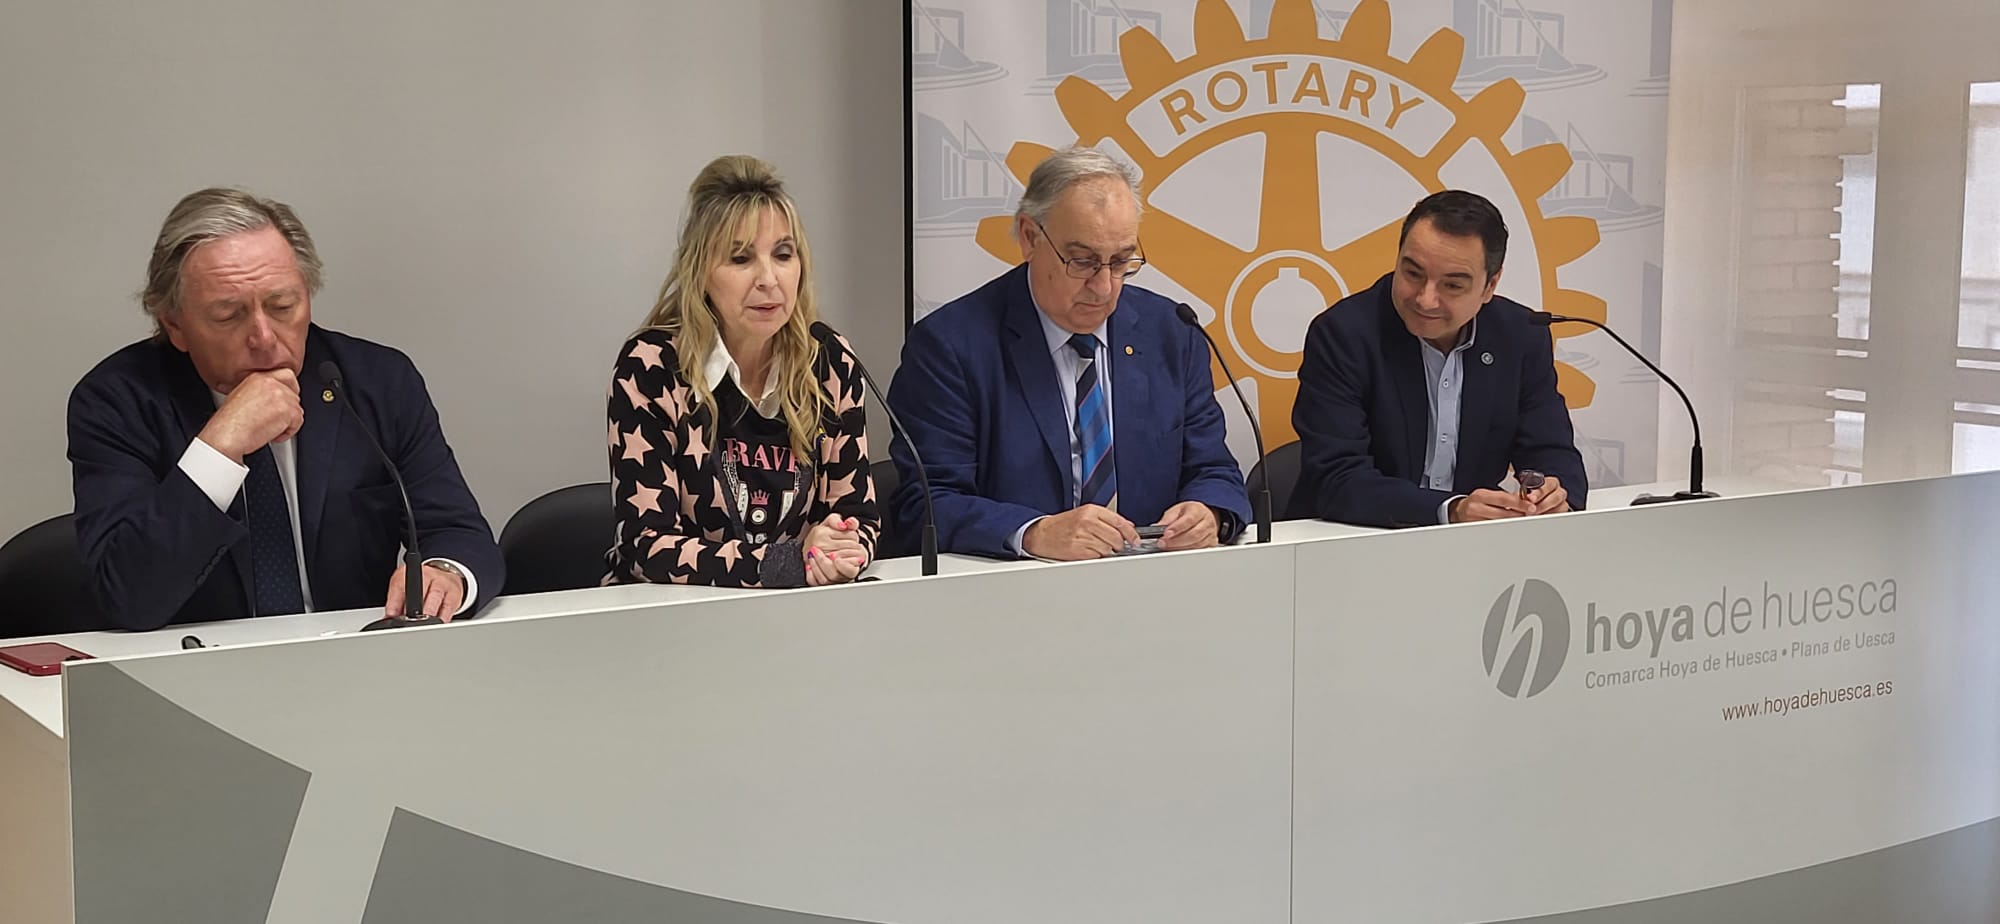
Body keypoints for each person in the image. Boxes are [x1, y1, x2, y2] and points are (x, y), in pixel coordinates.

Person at [67, 188, 503, 631]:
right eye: (228, 315)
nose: (264, 337)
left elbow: (459, 533)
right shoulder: (117, 401)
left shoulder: (376, 382)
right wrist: (220, 445)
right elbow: (128, 595)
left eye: (282, 307)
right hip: (199, 661)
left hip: (352, 653)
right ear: (174, 325)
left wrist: (445, 573)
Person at [886, 146, 1250, 560]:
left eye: (1121, 262)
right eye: (1082, 261)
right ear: (1030, 237)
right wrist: (1033, 533)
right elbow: (925, 505)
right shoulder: (951, 346)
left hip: (1155, 579)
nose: (1104, 287)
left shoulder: (1172, 332)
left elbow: (1215, 470)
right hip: (1016, 586)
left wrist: (1209, 512)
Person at [604, 155, 877, 587]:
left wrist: (841, 551)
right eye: (740, 258)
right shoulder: (652, 366)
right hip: (668, 616)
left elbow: (858, 517)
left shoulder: (829, 360)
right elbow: (647, 546)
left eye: (783, 255)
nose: (769, 279)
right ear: (700, 273)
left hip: (801, 609)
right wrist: (786, 563)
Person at [1289, 189, 1588, 528]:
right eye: (1413, 274)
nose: (1425, 299)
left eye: (1452, 286)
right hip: (1355, 537)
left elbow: (1550, 451)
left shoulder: (1520, 336)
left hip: (1474, 545)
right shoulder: (1344, 334)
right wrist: (1451, 510)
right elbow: (1337, 479)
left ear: (1490, 286)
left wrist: (1550, 494)